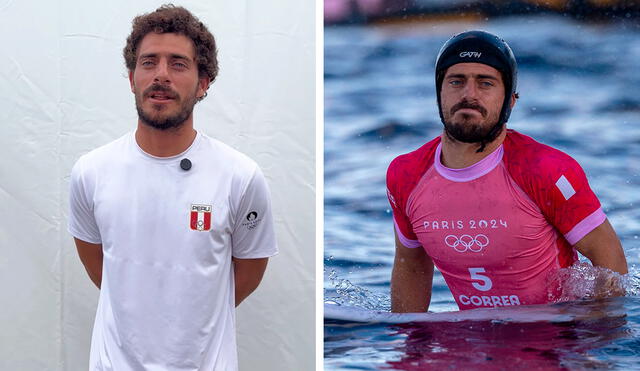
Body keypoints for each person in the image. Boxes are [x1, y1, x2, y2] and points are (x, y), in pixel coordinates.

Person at [68, 5, 277, 370]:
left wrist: (194, 315)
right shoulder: (91, 172)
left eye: (178, 64)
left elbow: (249, 269)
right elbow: (100, 267)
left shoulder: (240, 176)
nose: (160, 75)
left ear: (203, 82)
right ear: (132, 78)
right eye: (149, 62)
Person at [386, 30, 627, 313]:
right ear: (439, 92)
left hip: (556, 343)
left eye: (485, 83)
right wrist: (410, 349)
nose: (469, 94)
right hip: (470, 345)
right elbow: (411, 266)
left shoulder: (544, 169)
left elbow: (609, 260)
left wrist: (594, 344)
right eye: (456, 81)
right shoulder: (405, 174)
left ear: (510, 100)